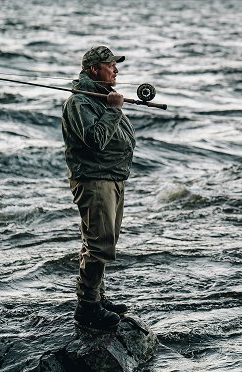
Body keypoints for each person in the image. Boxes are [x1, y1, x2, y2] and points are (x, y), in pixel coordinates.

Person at [61, 46, 136, 330]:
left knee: (104, 240)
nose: (116, 70)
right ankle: (88, 307)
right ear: (94, 69)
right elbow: (95, 139)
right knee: (99, 243)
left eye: (116, 65)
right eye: (110, 65)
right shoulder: (80, 102)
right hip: (94, 179)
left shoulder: (101, 98)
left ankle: (96, 296)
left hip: (112, 177)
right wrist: (115, 110)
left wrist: (111, 106)